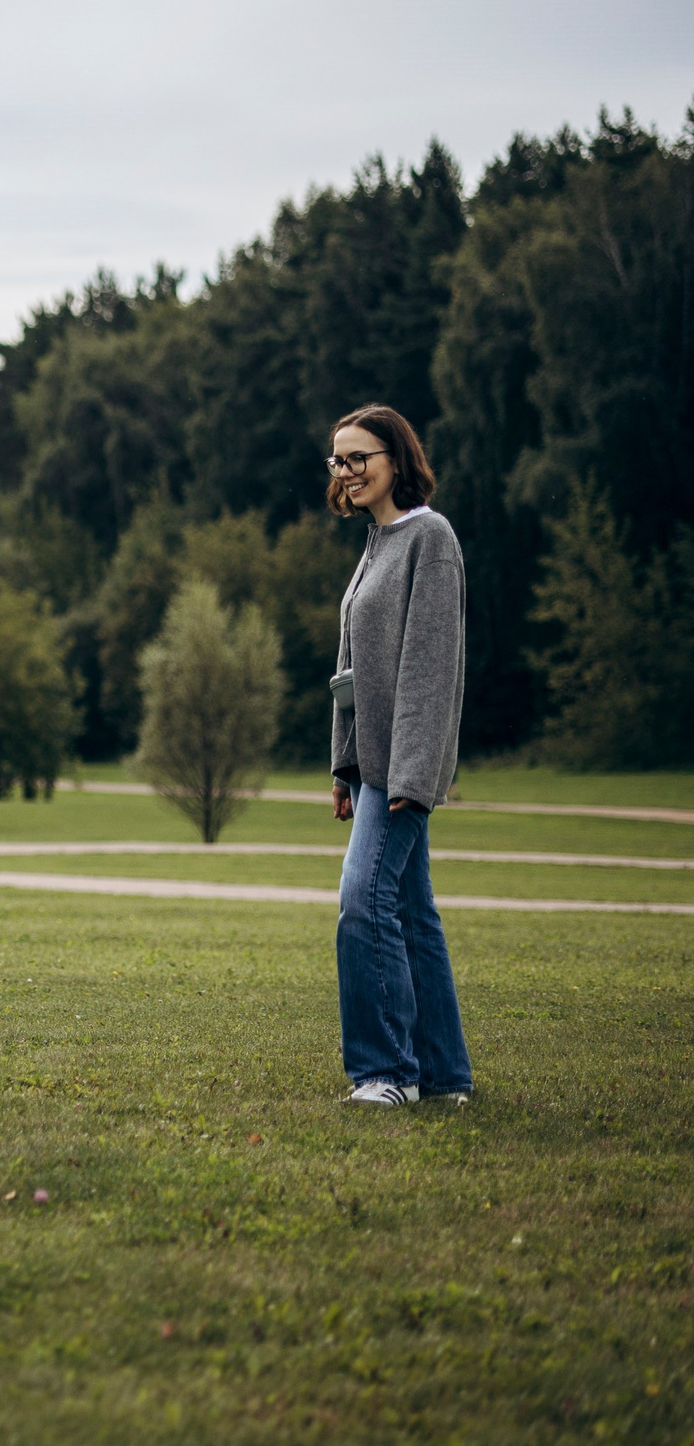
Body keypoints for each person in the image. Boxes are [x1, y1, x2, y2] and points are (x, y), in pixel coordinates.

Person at [325, 405, 472, 1108]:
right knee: (412, 913)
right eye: (339, 460)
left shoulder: (429, 537)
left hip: (404, 769)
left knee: (363, 903)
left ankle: (386, 1072)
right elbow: (351, 671)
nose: (348, 471)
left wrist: (410, 776)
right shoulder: (377, 541)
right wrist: (344, 765)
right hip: (374, 764)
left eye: (360, 457)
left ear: (396, 458)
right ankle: (445, 1078)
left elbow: (428, 667)